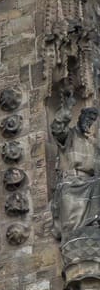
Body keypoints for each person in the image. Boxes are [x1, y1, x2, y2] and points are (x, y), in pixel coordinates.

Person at [51, 99, 100, 239]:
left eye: (92, 119)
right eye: (87, 117)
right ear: (80, 117)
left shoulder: (93, 143)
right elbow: (57, 129)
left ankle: (94, 222)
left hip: (90, 183)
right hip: (70, 182)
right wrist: (67, 107)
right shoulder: (70, 135)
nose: (89, 121)